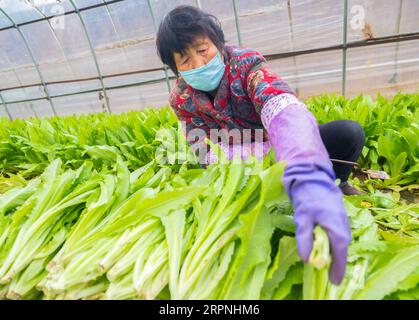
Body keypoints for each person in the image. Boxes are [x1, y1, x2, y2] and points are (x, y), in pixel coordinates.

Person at [156, 5, 365, 285]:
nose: (198, 64)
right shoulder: (181, 98)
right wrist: (225, 185)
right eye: (184, 59)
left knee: (347, 133)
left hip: (278, 147)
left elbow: (278, 104)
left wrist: (304, 162)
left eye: (202, 50)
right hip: (236, 167)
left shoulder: (245, 64)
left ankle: (333, 184)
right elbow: (201, 146)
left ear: (217, 43)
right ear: (175, 68)